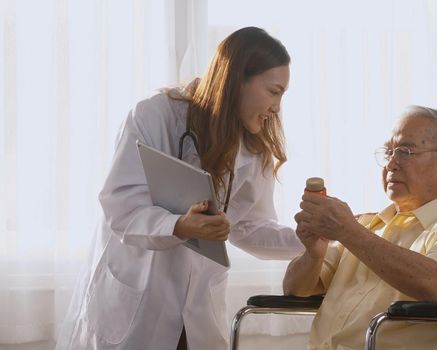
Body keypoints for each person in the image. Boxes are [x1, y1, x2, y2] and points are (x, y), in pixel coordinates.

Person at [56, 27, 303, 350]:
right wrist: (179, 225)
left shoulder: (252, 148)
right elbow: (121, 207)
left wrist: (306, 239)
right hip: (138, 305)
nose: (277, 107)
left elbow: (247, 227)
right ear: (236, 79)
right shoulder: (156, 116)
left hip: (196, 314)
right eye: (274, 91)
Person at [283, 106, 437, 350]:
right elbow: (294, 288)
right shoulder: (366, 225)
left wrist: (348, 232)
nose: (391, 164)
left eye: (405, 151)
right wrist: (313, 253)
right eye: (389, 152)